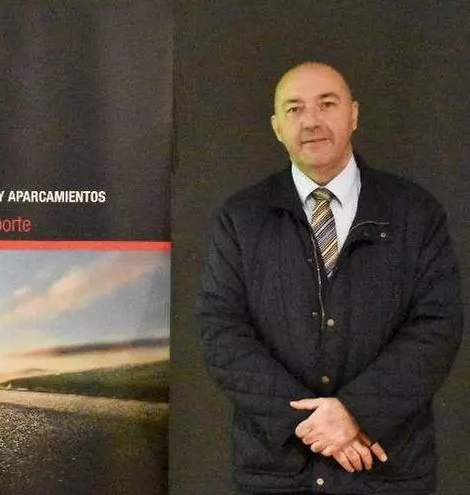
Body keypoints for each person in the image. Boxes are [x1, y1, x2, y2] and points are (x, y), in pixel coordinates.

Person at [195, 61, 463, 494]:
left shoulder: (415, 212)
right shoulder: (241, 218)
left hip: (385, 469)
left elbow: (437, 327)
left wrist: (355, 413)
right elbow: (220, 332)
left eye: (327, 104)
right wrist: (309, 424)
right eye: (295, 109)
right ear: (277, 127)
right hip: (277, 472)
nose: (311, 121)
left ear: (353, 114)